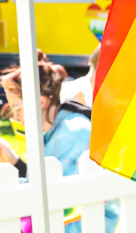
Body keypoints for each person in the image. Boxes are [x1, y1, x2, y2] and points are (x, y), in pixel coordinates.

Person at [0, 52, 119, 233]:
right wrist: (14, 162)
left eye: (17, 108)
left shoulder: (71, 135)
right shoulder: (59, 130)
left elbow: (56, 202)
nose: (15, 117)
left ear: (40, 102)